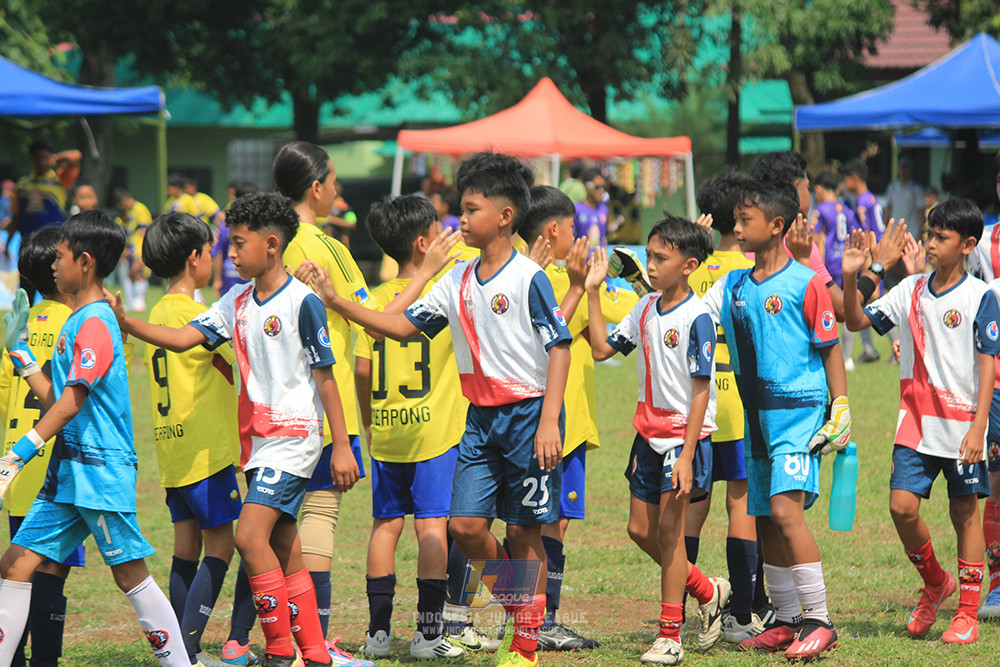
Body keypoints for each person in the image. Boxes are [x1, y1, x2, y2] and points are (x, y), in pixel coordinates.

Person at [297, 150, 573, 667]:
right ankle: (525, 611)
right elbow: (400, 327)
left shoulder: (526, 278)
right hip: (479, 422)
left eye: (470, 210)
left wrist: (550, 419)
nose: (460, 220)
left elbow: (560, 346)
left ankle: (526, 647)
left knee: (522, 531)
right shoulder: (456, 280)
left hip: (528, 418)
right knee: (465, 528)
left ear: (505, 217)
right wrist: (336, 302)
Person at [114, 191, 358, 667]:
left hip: (294, 439)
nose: (229, 253)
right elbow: (185, 339)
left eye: (237, 244)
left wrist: (343, 447)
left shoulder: (303, 303)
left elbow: (326, 379)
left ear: (271, 245)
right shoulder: (237, 300)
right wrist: (128, 323)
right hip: (259, 445)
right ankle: (314, 652)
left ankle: (281, 652)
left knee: (248, 538)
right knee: (284, 545)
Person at [0, 211, 188, 667]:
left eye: (60, 256)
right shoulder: (75, 321)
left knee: (130, 576)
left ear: (84, 262)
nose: (52, 265)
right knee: (13, 567)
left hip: (100, 473)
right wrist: (22, 355)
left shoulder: (97, 323)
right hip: (69, 475)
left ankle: (181, 663)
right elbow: (56, 401)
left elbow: (72, 403)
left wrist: (19, 452)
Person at [702, 178, 850, 660]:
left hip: (798, 416)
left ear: (777, 226)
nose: (737, 228)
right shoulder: (734, 285)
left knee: (786, 513)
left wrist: (841, 405)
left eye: (746, 221)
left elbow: (830, 350)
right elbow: (693, 312)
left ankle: (819, 619)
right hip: (756, 417)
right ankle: (786, 618)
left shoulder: (806, 282)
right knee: (764, 516)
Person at [843, 196, 1000, 644]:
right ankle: (936, 581)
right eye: (929, 234)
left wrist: (978, 426)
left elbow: (988, 364)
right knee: (901, 507)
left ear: (968, 244)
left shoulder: (979, 297)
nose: (930, 243)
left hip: (963, 426)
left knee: (964, 513)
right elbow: (853, 320)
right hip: (914, 421)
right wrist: (855, 272)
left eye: (941, 237)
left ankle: (967, 611)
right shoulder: (908, 289)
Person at [586, 216, 729, 665]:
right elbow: (601, 349)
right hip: (646, 434)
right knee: (639, 529)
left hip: (683, 439)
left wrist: (687, 454)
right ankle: (709, 591)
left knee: (670, 534)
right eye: (648, 255)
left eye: (659, 258)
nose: (649, 265)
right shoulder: (645, 308)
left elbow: (702, 389)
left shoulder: (698, 316)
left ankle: (670, 636)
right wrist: (591, 290)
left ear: (688, 265)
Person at [514, 185, 638, 651]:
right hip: (551, 426)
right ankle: (537, 620)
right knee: (545, 524)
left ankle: (531, 618)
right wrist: (582, 286)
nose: (578, 235)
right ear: (553, 230)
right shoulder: (547, 280)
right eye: (572, 228)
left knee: (536, 522)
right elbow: (545, 338)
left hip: (543, 423)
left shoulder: (527, 275)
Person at [352, 196, 474, 660]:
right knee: (431, 528)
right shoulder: (443, 291)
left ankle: (378, 634)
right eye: (438, 231)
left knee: (385, 526)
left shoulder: (373, 300)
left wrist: (370, 421)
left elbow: (362, 372)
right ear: (425, 242)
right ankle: (427, 633)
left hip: (386, 432)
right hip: (433, 435)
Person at [274, 142, 370, 656]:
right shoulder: (321, 244)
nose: (337, 190)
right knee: (318, 520)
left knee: (275, 526)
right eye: (333, 181)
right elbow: (369, 312)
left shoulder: (273, 241)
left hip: (273, 407)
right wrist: (424, 274)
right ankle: (319, 641)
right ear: (316, 187)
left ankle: (271, 638)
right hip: (320, 405)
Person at [140, 212, 245, 666]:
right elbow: (234, 360)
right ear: (194, 259)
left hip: (172, 449)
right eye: (210, 250)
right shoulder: (197, 316)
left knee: (187, 549)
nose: (216, 257)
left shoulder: (157, 313)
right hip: (207, 449)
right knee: (221, 546)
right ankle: (187, 650)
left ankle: (177, 649)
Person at [685, 168, 763, 643]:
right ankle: (742, 614)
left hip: (696, 402)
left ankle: (691, 600)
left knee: (692, 509)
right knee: (742, 505)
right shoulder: (751, 272)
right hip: (737, 405)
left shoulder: (685, 262)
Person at [0, 227, 77, 667]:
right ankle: (44, 659)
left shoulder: (20, 324)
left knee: (21, 571)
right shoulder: (77, 322)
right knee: (49, 572)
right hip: (57, 464)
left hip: (20, 465)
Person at [9, 141, 81, 301]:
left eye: (44, 158)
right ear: (30, 159)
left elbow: (76, 156)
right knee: (26, 289)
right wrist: (8, 243)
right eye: (37, 158)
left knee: (55, 288)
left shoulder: (61, 179)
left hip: (53, 245)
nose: (41, 161)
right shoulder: (22, 185)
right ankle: (25, 324)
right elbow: (16, 216)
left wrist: (55, 158)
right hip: (28, 244)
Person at [811, 171, 863, 370]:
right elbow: (859, 231)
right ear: (838, 189)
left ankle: (831, 354)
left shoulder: (821, 209)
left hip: (830, 265)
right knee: (848, 307)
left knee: (829, 311)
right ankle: (848, 357)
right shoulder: (848, 210)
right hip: (848, 263)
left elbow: (815, 239)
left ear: (819, 190)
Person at [838, 159, 882, 363]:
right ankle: (869, 348)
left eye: (846, 179)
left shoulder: (863, 201)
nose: (844, 184)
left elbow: (866, 232)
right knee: (866, 303)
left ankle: (895, 341)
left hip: (873, 254)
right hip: (879, 253)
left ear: (854, 179)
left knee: (872, 300)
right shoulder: (870, 198)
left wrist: (867, 265)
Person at [212, 181, 256, 298]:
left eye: (232, 198)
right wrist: (217, 280)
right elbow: (219, 252)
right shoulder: (226, 225)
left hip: (247, 281)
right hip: (229, 282)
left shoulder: (258, 228)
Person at [884, 155, 926, 244]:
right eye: (902, 167)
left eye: (907, 168)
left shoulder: (916, 189)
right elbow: (888, 209)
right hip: (894, 234)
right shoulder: (892, 187)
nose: (904, 171)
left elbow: (921, 213)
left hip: (911, 234)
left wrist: (919, 234)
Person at [573, 167, 610, 248]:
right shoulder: (576, 209)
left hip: (599, 258)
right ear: (587, 187)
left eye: (603, 187)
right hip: (582, 259)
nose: (601, 191)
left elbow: (605, 235)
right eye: (597, 187)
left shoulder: (604, 210)